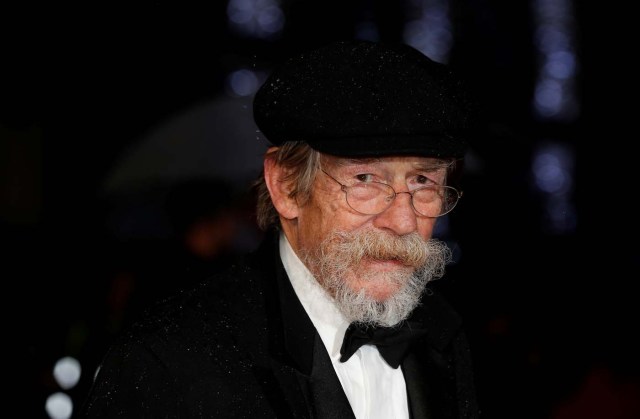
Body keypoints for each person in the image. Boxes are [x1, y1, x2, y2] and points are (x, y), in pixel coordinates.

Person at [80, 39, 480, 419]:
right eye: (364, 179)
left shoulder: (446, 336)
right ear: (287, 187)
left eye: (423, 182)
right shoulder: (167, 362)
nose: (404, 221)